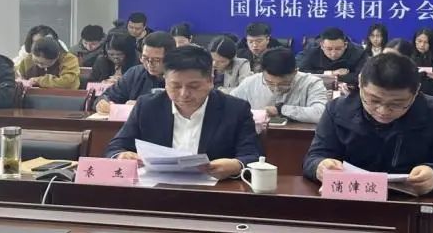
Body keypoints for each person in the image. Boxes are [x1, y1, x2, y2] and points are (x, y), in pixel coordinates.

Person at [303, 53, 433, 195]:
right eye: (373, 100)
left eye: (397, 104)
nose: (383, 111)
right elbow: (314, 157)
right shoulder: (337, 110)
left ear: (416, 91)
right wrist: (320, 167)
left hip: (411, 204)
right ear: (360, 83)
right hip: (351, 200)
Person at [105, 45, 262, 180]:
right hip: (157, 190)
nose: (184, 94)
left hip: (214, 192)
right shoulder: (147, 106)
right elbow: (115, 147)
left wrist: (236, 165)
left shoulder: (235, 109)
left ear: (210, 81)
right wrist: (121, 155)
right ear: (165, 81)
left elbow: (252, 156)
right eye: (175, 86)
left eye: (193, 86)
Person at [231, 47, 327, 123]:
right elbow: (229, 107)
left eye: (283, 84)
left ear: (295, 72)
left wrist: (281, 110)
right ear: (262, 72)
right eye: (270, 83)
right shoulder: (250, 82)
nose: (276, 89)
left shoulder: (311, 83)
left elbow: (321, 113)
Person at [95, 31, 175, 113]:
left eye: (157, 60)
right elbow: (107, 95)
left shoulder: (179, 77)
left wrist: (141, 105)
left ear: (171, 58)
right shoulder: (135, 73)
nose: (149, 64)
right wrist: (103, 102)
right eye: (145, 58)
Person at [298, 27, 366, 86]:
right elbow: (302, 72)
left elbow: (363, 76)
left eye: (338, 49)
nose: (333, 53)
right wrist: (331, 73)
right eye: (329, 49)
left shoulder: (358, 53)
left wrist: (333, 78)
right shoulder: (312, 51)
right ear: (322, 46)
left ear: (345, 45)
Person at [15, 37, 81, 89]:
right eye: (36, 61)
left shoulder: (68, 59)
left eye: (44, 64)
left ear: (57, 57)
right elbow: (18, 78)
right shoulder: (27, 60)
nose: (40, 65)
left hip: (64, 96)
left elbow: (67, 82)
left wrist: (38, 81)